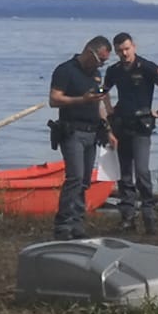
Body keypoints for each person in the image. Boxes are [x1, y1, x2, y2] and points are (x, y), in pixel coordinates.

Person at [102, 33, 158, 234]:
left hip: (141, 127)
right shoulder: (114, 70)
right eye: (120, 51)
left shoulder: (146, 67)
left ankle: (149, 215)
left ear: (134, 47)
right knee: (124, 173)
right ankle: (127, 217)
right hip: (121, 124)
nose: (124, 53)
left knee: (142, 171)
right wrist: (109, 110)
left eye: (127, 49)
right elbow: (102, 91)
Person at [48, 36, 113, 241]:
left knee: (84, 180)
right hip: (72, 131)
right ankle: (63, 224)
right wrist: (80, 100)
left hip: (92, 131)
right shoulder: (65, 70)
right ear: (89, 52)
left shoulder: (95, 74)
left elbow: (99, 104)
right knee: (74, 177)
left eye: (104, 62)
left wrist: (107, 128)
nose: (101, 64)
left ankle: (77, 222)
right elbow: (54, 99)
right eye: (100, 60)